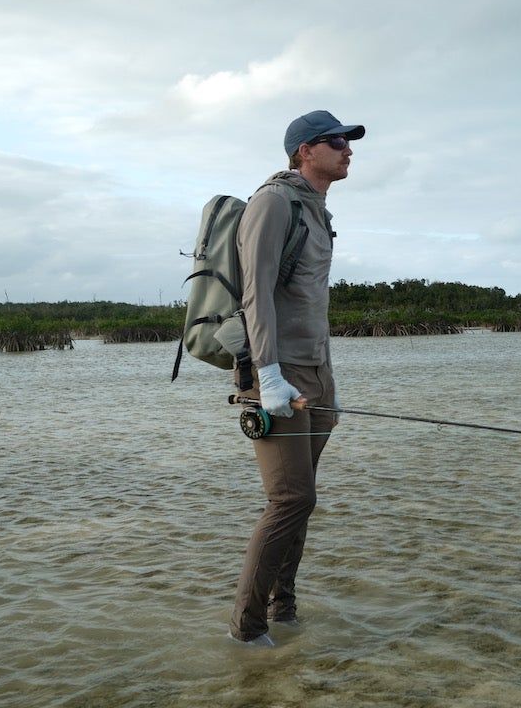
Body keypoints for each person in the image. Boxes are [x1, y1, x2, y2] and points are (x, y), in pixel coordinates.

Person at [228, 109, 364, 647]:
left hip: (316, 374)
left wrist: (328, 381)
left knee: (302, 502)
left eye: (348, 141)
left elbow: (309, 302)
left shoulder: (317, 209)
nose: (348, 149)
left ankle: (284, 612)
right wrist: (267, 374)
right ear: (305, 150)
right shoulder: (273, 202)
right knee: (290, 499)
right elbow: (256, 292)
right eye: (337, 141)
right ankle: (246, 631)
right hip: (276, 373)